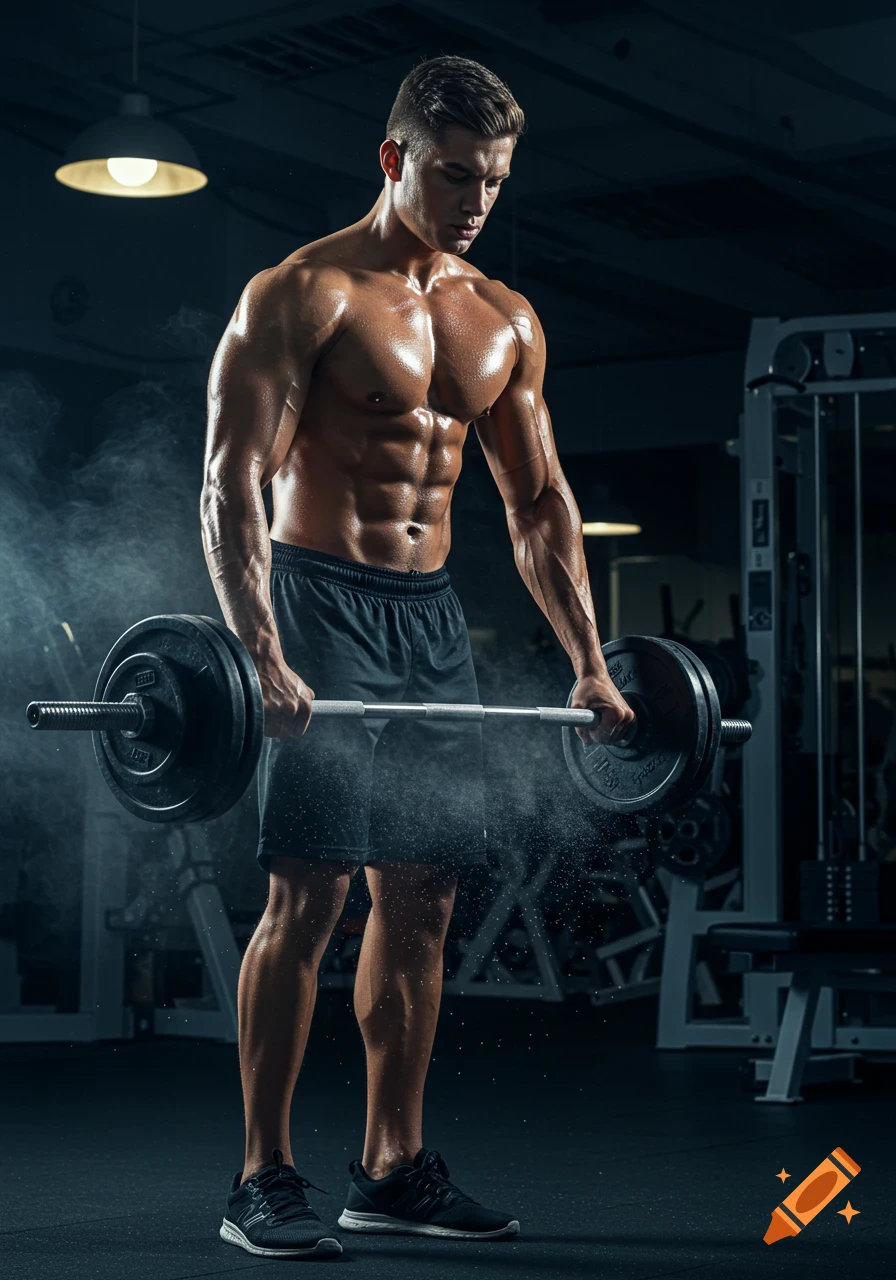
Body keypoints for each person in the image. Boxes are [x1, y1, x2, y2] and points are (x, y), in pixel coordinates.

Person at [201, 54, 633, 1262]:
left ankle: (389, 1167)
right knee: (313, 890)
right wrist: (261, 647)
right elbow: (229, 479)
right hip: (320, 601)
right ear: (392, 158)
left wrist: (589, 664)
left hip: (429, 614)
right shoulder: (301, 292)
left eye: (492, 179)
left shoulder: (502, 316)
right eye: (452, 174)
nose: (475, 198)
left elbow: (537, 501)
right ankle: (260, 1174)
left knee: (424, 893)